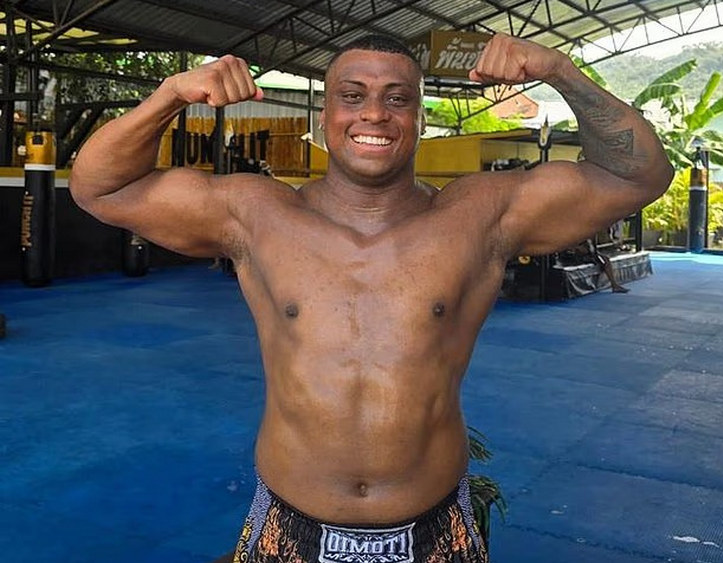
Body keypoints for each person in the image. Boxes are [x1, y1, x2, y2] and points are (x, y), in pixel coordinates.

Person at [69, 33, 673, 563]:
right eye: (352, 96)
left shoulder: (480, 216)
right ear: (325, 114)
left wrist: (561, 71)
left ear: (421, 118)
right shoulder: (255, 214)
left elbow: (639, 176)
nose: (375, 114)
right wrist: (170, 94)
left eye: (398, 99)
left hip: (435, 530)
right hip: (288, 527)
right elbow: (100, 188)